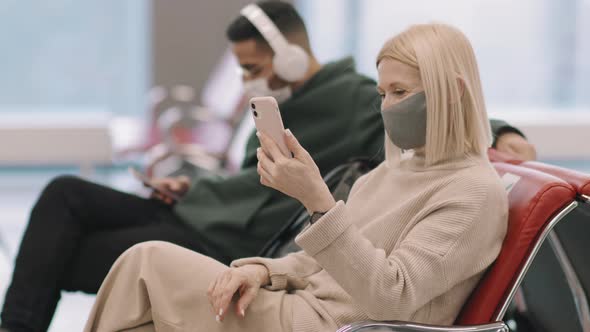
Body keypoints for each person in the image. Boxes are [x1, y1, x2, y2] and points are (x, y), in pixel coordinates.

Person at [0, 2, 530, 332]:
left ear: (449, 95)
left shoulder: (470, 193)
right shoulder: (397, 171)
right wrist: (265, 268)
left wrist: (318, 201)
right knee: (77, 222)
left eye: (399, 93)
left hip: (323, 322)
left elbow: (391, 295)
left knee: (142, 262)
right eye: (383, 92)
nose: (387, 106)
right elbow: (318, 263)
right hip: (291, 294)